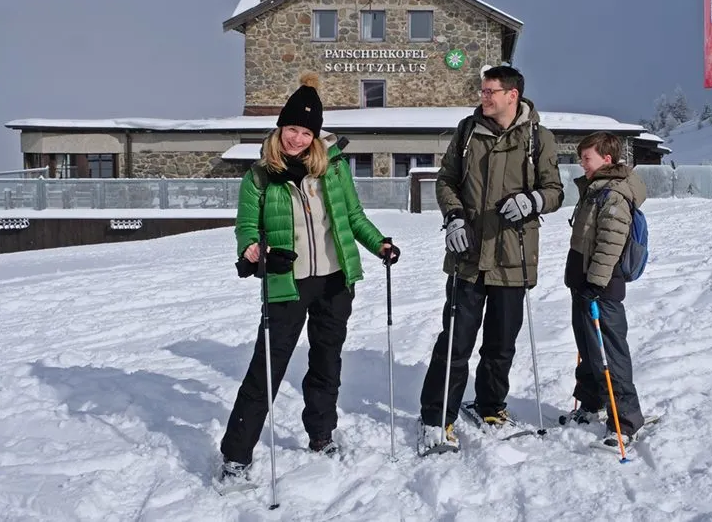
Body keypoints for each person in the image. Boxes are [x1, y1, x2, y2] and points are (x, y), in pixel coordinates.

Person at [217, 73, 399, 487]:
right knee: (267, 368)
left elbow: (353, 217)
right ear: (279, 128)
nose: (297, 139)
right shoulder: (258, 177)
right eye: (291, 129)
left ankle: (321, 434)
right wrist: (252, 249)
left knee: (326, 362)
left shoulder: (333, 170)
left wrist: (380, 245)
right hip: (287, 282)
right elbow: (246, 227)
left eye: (305, 132)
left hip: (335, 281)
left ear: (316, 136)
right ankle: (236, 455)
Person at [418, 64, 564, 450]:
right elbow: (446, 180)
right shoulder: (467, 132)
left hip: (513, 256)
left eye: (489, 92)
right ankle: (436, 417)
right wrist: (453, 216)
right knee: (455, 342)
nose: (483, 97)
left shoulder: (539, 138)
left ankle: (490, 406)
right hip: (467, 255)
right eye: (482, 91)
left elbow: (555, 190)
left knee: (501, 344)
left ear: (512, 95)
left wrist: (533, 200)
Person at [562, 131, 646, 447]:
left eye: (587, 158)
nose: (581, 163)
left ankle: (626, 420)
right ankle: (591, 402)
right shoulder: (595, 189)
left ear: (606, 159)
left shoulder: (613, 194)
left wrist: (595, 283)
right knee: (588, 349)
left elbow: (611, 243)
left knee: (611, 353)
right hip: (583, 283)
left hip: (601, 287)